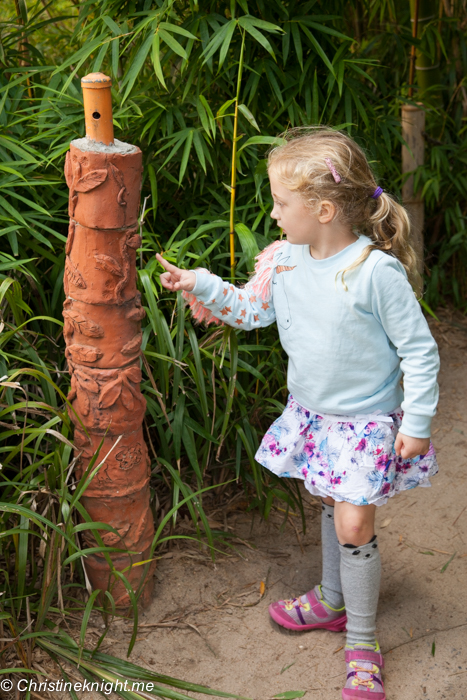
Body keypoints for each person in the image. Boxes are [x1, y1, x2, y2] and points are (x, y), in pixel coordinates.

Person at [156, 127, 439, 700]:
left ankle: (361, 641)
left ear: (325, 209)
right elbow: (250, 308)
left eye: (283, 203)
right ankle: (333, 600)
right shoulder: (284, 261)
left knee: (354, 522)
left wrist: (416, 421)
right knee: (333, 502)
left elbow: (420, 350)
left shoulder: (372, 273)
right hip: (314, 415)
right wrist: (201, 284)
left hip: (364, 423)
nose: (274, 212)